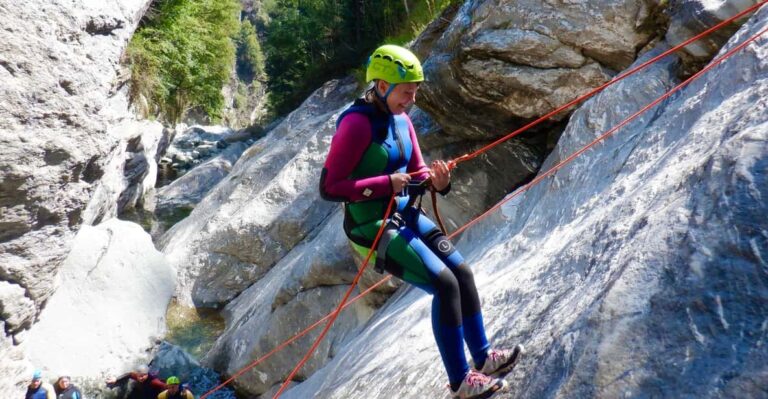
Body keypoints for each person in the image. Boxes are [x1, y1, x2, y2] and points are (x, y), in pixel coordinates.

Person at [319, 44, 524, 398]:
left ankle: (484, 357)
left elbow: (417, 172)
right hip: (372, 226)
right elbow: (330, 187)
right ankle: (461, 381)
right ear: (381, 86)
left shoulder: (401, 121)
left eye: (414, 92)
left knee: (462, 273)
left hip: (405, 213)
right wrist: (385, 183)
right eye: (406, 92)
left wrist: (439, 181)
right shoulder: (355, 125)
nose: (411, 99)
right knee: (444, 285)